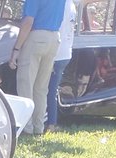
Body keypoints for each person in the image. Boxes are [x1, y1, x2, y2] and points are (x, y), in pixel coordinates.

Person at [9, 0, 66, 136]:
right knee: (41, 88)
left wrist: (17, 48)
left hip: (36, 36)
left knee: (26, 84)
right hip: (54, 37)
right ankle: (38, 126)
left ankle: (26, 127)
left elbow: (28, 21)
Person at [45, 0, 76, 130]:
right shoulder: (71, 5)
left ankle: (49, 122)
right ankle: (51, 121)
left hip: (56, 52)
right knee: (52, 89)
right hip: (66, 52)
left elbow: (56, 28)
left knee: (46, 90)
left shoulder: (60, 5)